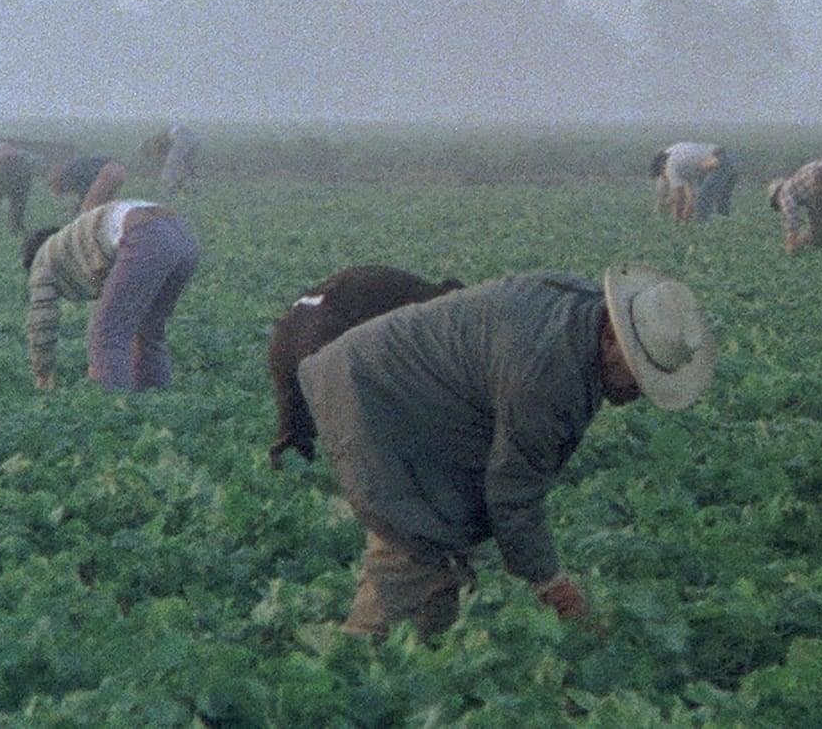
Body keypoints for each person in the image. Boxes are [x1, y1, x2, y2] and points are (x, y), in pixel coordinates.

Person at [298, 263, 715, 640]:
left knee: (443, 534)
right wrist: (551, 583)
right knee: (418, 550)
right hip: (374, 398)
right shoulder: (550, 377)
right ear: (611, 335)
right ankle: (355, 668)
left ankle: (421, 645)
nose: (637, 390)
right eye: (637, 372)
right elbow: (513, 494)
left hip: (409, 393)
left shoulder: (580, 309)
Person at [267, 265, 464, 469]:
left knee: (295, 405)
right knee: (364, 423)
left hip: (285, 333)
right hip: (325, 334)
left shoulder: (400, 286)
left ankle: (289, 446)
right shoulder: (429, 307)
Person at [23, 200, 200, 391]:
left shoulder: (42, 261)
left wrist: (42, 374)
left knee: (106, 335)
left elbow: (41, 323)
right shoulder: (79, 243)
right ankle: (154, 398)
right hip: (184, 237)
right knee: (149, 330)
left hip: (145, 235)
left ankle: (111, 406)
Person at [651, 142, 726, 223]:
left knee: (703, 198)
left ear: (662, 169)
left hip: (716, 161)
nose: (665, 179)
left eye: (662, 176)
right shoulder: (671, 152)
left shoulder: (670, 167)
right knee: (699, 197)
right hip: (716, 151)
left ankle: (707, 224)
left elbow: (678, 198)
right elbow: (689, 195)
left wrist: (677, 220)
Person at [49, 155, 128, 214]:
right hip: (118, 169)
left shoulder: (70, 176)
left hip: (108, 170)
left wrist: (78, 209)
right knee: (106, 206)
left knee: (86, 212)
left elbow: (86, 194)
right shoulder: (72, 171)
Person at [141, 125, 201, 195]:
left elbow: (161, 152)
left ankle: (166, 189)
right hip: (194, 140)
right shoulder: (163, 138)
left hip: (181, 137)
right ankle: (189, 186)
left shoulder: (157, 140)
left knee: (171, 163)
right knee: (184, 164)